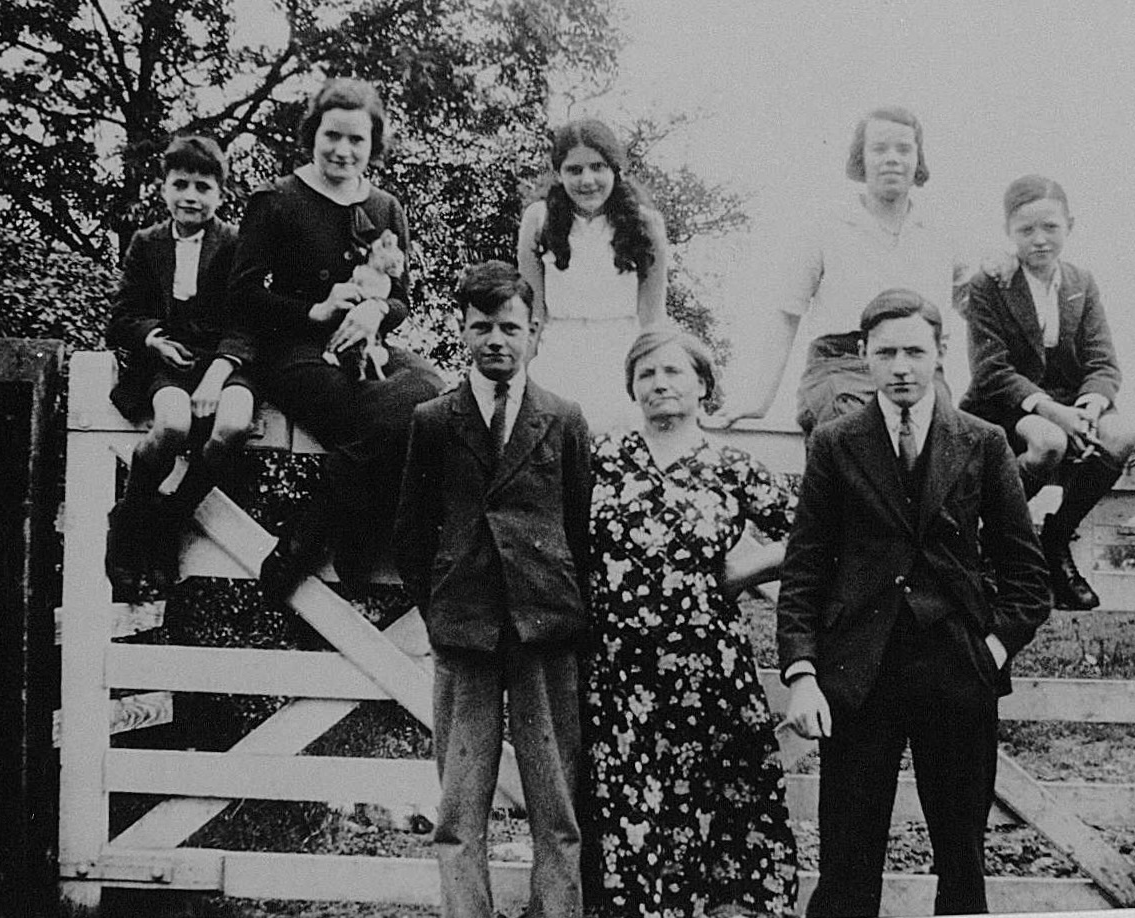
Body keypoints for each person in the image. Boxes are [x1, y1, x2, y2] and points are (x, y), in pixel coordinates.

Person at [778, 289, 1050, 917]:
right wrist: (803, 673)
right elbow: (805, 570)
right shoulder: (836, 442)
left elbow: (1028, 575)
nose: (901, 365)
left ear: (940, 355)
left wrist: (992, 647)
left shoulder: (982, 443)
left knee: (961, 855)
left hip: (957, 671)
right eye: (886, 352)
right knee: (848, 857)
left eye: (915, 351)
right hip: (859, 676)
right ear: (865, 358)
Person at [394, 261, 592, 918]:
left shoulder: (564, 419)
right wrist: (444, 609)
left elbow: (581, 526)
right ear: (463, 332)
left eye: (510, 327)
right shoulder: (432, 419)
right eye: (482, 327)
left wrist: (564, 606)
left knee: (557, 807)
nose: (496, 340)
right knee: (459, 807)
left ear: (533, 332)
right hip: (465, 630)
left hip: (545, 630)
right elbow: (412, 534)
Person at [581, 327, 799, 918]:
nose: (659, 384)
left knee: (719, 821)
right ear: (631, 387)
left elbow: (818, 533)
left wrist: (755, 564)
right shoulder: (601, 460)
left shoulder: (732, 467)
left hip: (710, 678)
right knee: (632, 822)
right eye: (646, 373)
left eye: (673, 371)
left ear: (702, 384)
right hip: (621, 682)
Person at [229, 78, 444, 601]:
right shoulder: (276, 200)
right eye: (333, 136)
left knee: (434, 392)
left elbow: (403, 299)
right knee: (380, 416)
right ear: (312, 134)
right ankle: (347, 542)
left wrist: (376, 311)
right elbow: (240, 295)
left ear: (374, 145)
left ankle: (312, 531)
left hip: (366, 349)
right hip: (295, 351)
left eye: (357, 140)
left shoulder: (388, 208)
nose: (343, 150)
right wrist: (315, 309)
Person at [707, 105, 967, 435]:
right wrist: (759, 401)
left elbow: (975, 299)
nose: (892, 158)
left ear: (918, 158)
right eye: (879, 149)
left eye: (903, 149)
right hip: (840, 367)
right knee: (855, 436)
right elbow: (787, 316)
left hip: (919, 371)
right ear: (861, 158)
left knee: (946, 446)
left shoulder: (941, 233)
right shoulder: (827, 227)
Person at [961, 175, 1135, 611]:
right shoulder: (990, 284)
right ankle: (992, 540)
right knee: (1048, 441)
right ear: (1008, 233)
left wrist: (1089, 406)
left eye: (1050, 228)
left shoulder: (1081, 281)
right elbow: (990, 370)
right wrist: (1053, 412)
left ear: (1069, 226)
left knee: (1120, 435)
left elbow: (1103, 361)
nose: (1039, 240)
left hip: (1069, 403)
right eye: (1025, 230)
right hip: (1006, 404)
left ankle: (1055, 542)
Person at [105, 134, 256, 593]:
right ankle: (131, 517)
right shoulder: (146, 242)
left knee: (231, 425)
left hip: (228, 363)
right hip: (169, 362)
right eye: (181, 184)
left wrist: (220, 370)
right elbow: (123, 315)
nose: (191, 196)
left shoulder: (235, 244)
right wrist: (154, 339)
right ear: (164, 187)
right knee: (171, 424)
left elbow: (251, 319)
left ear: (221, 194)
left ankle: (171, 518)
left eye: (203, 187)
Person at [517, 118, 668, 432]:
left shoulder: (645, 225)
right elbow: (533, 314)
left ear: (615, 169)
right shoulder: (538, 220)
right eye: (575, 170)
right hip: (557, 357)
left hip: (621, 357)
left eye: (598, 167)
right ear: (559, 173)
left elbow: (652, 318)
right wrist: (517, 380)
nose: (587, 180)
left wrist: (656, 379)